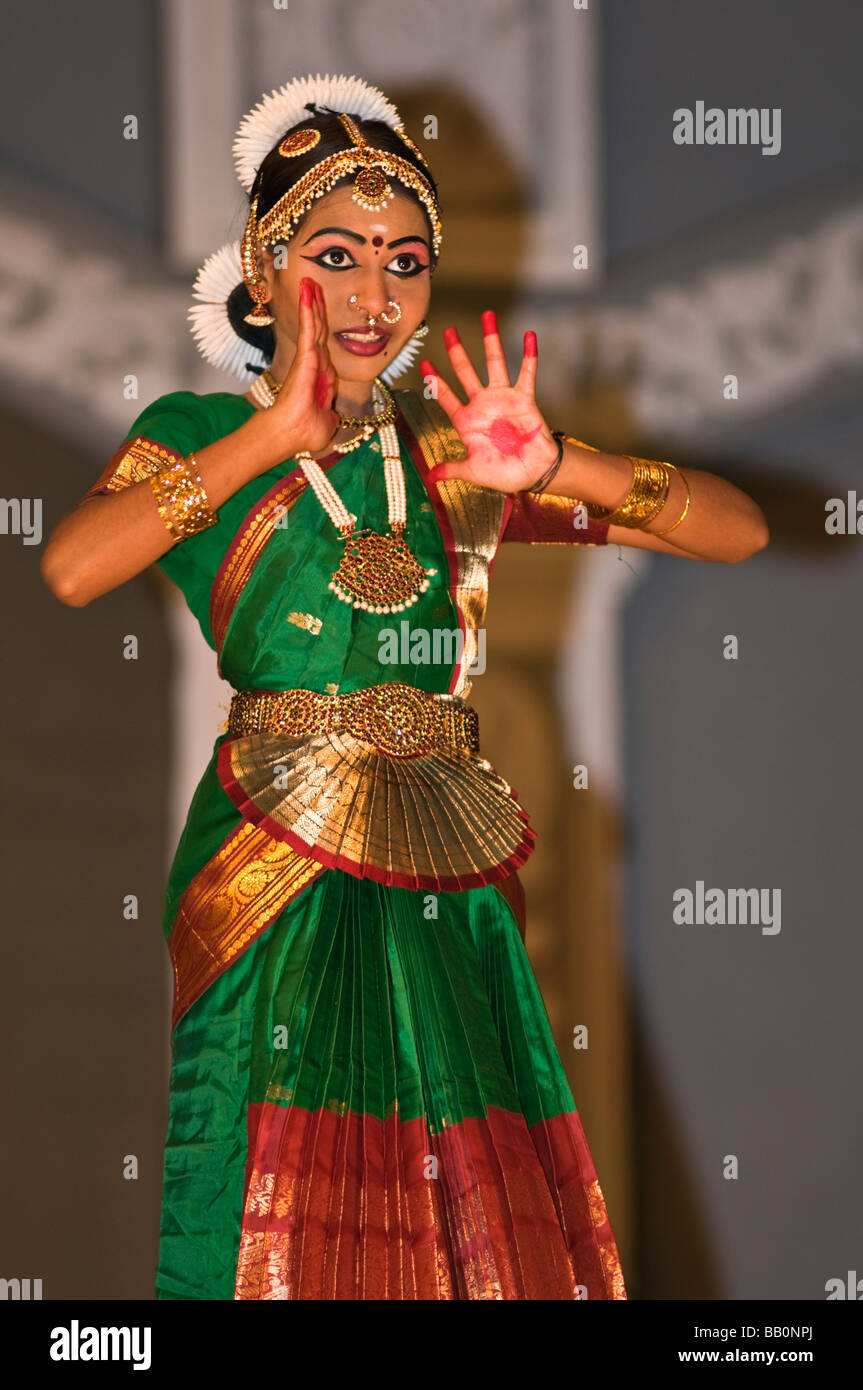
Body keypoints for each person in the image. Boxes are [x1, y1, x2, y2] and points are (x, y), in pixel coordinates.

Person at [41, 73, 768, 1301]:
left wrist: (558, 463)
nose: (375, 296)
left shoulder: (448, 456)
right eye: (337, 255)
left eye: (405, 262)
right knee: (261, 1190)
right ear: (264, 268)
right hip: (272, 858)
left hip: (447, 865)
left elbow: (736, 530)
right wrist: (273, 434)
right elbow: (72, 566)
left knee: (461, 1220)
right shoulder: (194, 434)